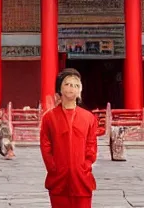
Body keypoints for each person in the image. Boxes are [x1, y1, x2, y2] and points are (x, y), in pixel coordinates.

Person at [40, 68, 99, 208]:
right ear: (60, 89)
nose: (72, 87)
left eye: (76, 85)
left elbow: (91, 146)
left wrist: (85, 166)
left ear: (80, 92)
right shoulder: (49, 117)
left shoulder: (88, 118)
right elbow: (46, 146)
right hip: (58, 179)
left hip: (81, 179)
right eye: (67, 84)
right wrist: (54, 168)